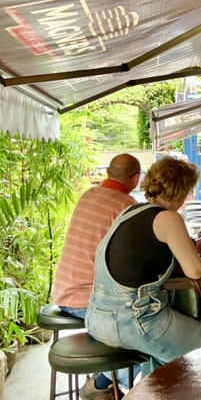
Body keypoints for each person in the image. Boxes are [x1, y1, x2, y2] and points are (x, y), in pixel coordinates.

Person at [85, 157, 201, 378]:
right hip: (132, 321)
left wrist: (190, 247)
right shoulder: (168, 217)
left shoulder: (132, 212)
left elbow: (143, 256)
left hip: (98, 317)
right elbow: (195, 271)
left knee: (162, 356)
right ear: (183, 190)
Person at [52, 153, 141, 399]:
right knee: (146, 335)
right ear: (135, 179)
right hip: (85, 297)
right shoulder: (126, 206)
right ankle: (100, 384)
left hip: (63, 291)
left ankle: (107, 382)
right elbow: (134, 258)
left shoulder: (88, 195)